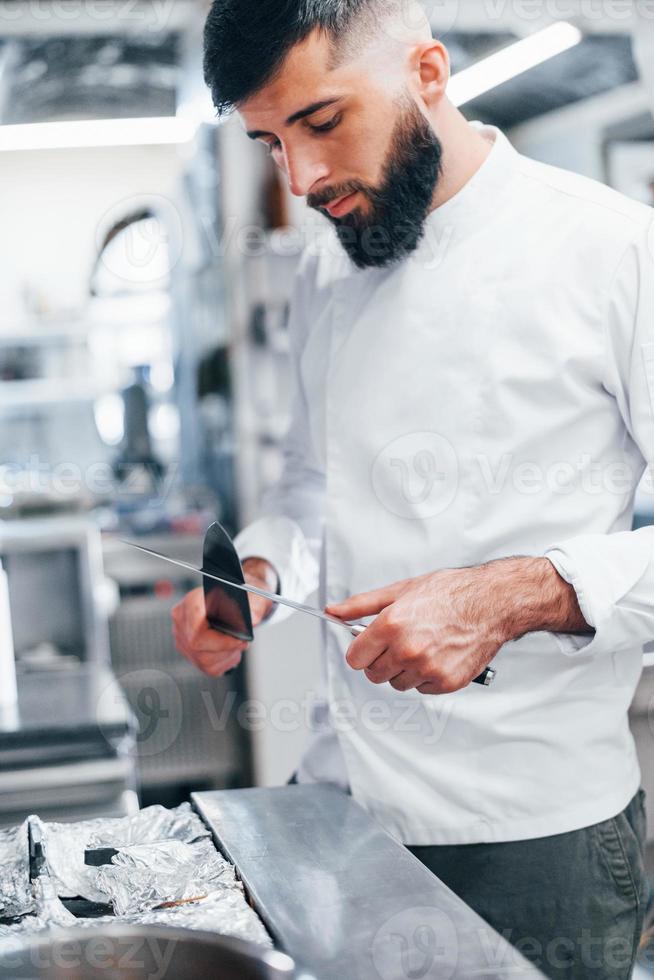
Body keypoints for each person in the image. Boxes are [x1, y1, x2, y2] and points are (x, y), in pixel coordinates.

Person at [172, 2, 654, 976]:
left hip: (533, 837)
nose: (301, 180)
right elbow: (316, 477)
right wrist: (263, 568)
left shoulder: (612, 250)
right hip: (341, 808)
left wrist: (516, 592)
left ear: (428, 73)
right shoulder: (327, 264)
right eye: (270, 142)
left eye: (320, 122)